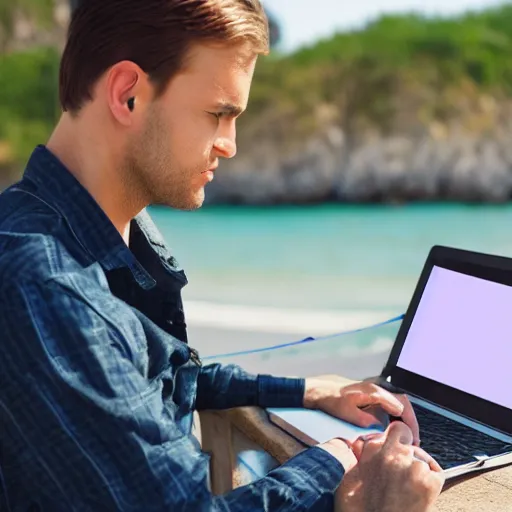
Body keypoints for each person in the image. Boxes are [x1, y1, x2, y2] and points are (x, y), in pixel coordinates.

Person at [0, 1, 444, 510]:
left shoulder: (85, 231)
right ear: (128, 95)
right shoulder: (46, 286)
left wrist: (303, 390)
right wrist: (343, 461)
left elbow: (153, 377)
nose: (231, 145)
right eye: (219, 114)